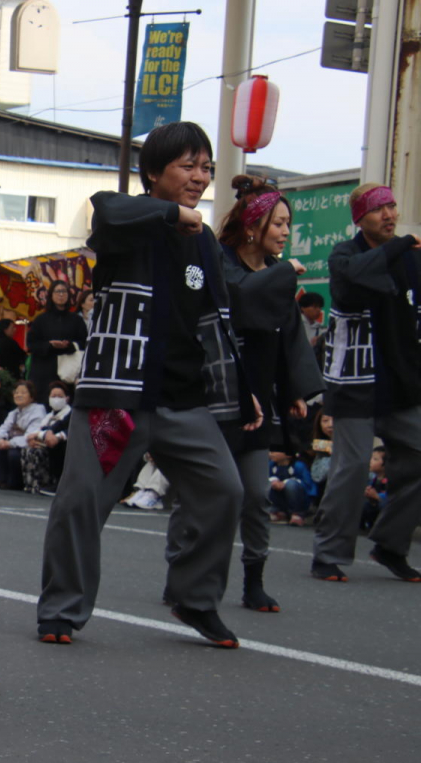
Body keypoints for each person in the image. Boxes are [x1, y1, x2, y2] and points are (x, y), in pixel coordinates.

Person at [36, 121, 261, 648]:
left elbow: (218, 319)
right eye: (188, 166)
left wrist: (242, 385)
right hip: (118, 396)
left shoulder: (204, 241)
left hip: (184, 400)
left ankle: (195, 598)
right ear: (154, 172)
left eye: (206, 168)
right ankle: (62, 609)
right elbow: (107, 209)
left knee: (224, 491)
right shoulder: (126, 221)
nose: (200, 177)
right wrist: (171, 214)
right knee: (81, 501)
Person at [166, 175, 323, 614]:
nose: (286, 232)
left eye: (288, 224)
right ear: (253, 226)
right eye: (279, 223)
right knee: (200, 491)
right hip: (215, 390)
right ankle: (179, 570)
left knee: (255, 492)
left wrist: (294, 389)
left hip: (260, 393)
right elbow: (239, 298)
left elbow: (289, 334)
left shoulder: (275, 272)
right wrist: (283, 274)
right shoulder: (220, 260)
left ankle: (254, 579)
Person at [312, 182, 421, 583]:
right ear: (359, 219)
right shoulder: (345, 255)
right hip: (355, 381)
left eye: (391, 206)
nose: (389, 215)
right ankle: (328, 553)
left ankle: (391, 544)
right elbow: (353, 279)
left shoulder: (410, 259)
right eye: (378, 209)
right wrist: (403, 244)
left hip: (401, 382)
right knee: (353, 467)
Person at [26, 280, 87, 403]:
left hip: (68, 372)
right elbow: (31, 344)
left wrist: (70, 345)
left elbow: (85, 342)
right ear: (51, 295)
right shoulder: (41, 320)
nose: (61, 294)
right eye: (57, 291)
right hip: (44, 371)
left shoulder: (76, 320)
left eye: (64, 291)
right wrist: (49, 345)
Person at [18, 380, 73, 494]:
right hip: (46, 441)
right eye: (53, 396)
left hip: (63, 443)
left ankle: (47, 482)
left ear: (67, 398)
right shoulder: (49, 416)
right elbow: (43, 429)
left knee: (47, 450)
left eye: (59, 396)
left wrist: (54, 437)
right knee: (29, 449)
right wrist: (34, 437)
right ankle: (30, 484)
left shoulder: (69, 412)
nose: (56, 399)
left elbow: (65, 428)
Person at [0, 381, 46, 490]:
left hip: (30, 445)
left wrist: (10, 443)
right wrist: (0, 439)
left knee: (13, 454)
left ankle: (15, 483)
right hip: (13, 443)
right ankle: (2, 481)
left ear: (32, 396)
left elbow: (30, 435)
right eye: (16, 392)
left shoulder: (38, 410)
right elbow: (3, 428)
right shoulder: (14, 412)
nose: (18, 395)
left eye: (23, 392)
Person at [267, 450, 317, 527]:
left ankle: (297, 513)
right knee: (269, 484)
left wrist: (285, 483)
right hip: (280, 498)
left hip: (298, 498)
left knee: (291, 485)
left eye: (276, 451)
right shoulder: (271, 465)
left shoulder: (298, 466)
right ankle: (278, 510)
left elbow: (308, 485)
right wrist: (273, 481)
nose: (272, 453)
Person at [361, 446, 389, 530]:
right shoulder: (374, 479)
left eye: (375, 459)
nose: (370, 461)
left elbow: (388, 497)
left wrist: (376, 496)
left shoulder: (388, 480)